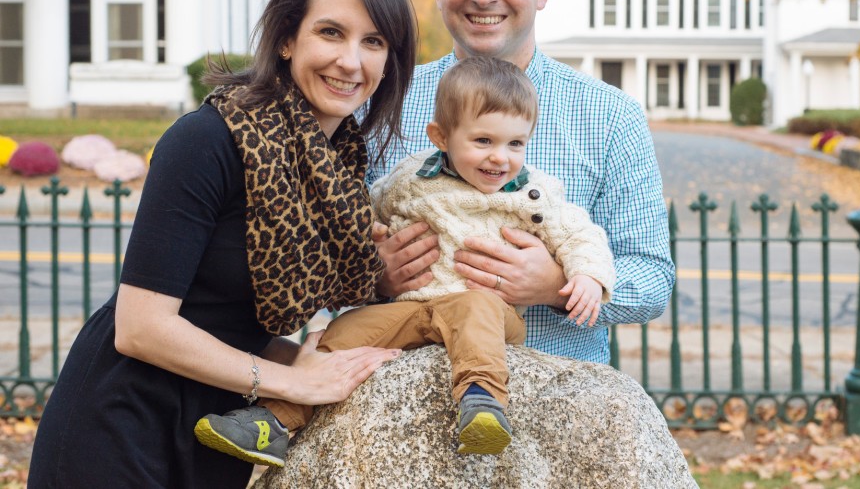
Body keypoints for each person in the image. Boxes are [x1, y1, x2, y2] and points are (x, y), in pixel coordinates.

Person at [28, 0, 418, 488]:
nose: (351, 61)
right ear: (286, 39)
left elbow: (237, 318)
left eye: (373, 41)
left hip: (217, 425)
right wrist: (290, 380)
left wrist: (325, 356)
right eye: (331, 32)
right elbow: (141, 328)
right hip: (121, 422)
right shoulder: (207, 140)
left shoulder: (341, 173)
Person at [195, 56, 617, 464]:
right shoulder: (410, 179)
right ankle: (274, 422)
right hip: (411, 308)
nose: (500, 157)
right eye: (483, 140)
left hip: (486, 309)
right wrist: (371, 241)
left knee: (477, 310)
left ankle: (484, 404)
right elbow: (363, 213)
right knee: (343, 330)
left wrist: (586, 277)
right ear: (441, 136)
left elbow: (579, 234)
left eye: (515, 143)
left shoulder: (533, 193)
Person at [368, 0, 675, 365]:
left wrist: (555, 285)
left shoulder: (611, 115)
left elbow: (652, 279)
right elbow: (325, 254)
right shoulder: (384, 101)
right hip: (401, 388)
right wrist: (372, 274)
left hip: (556, 389)